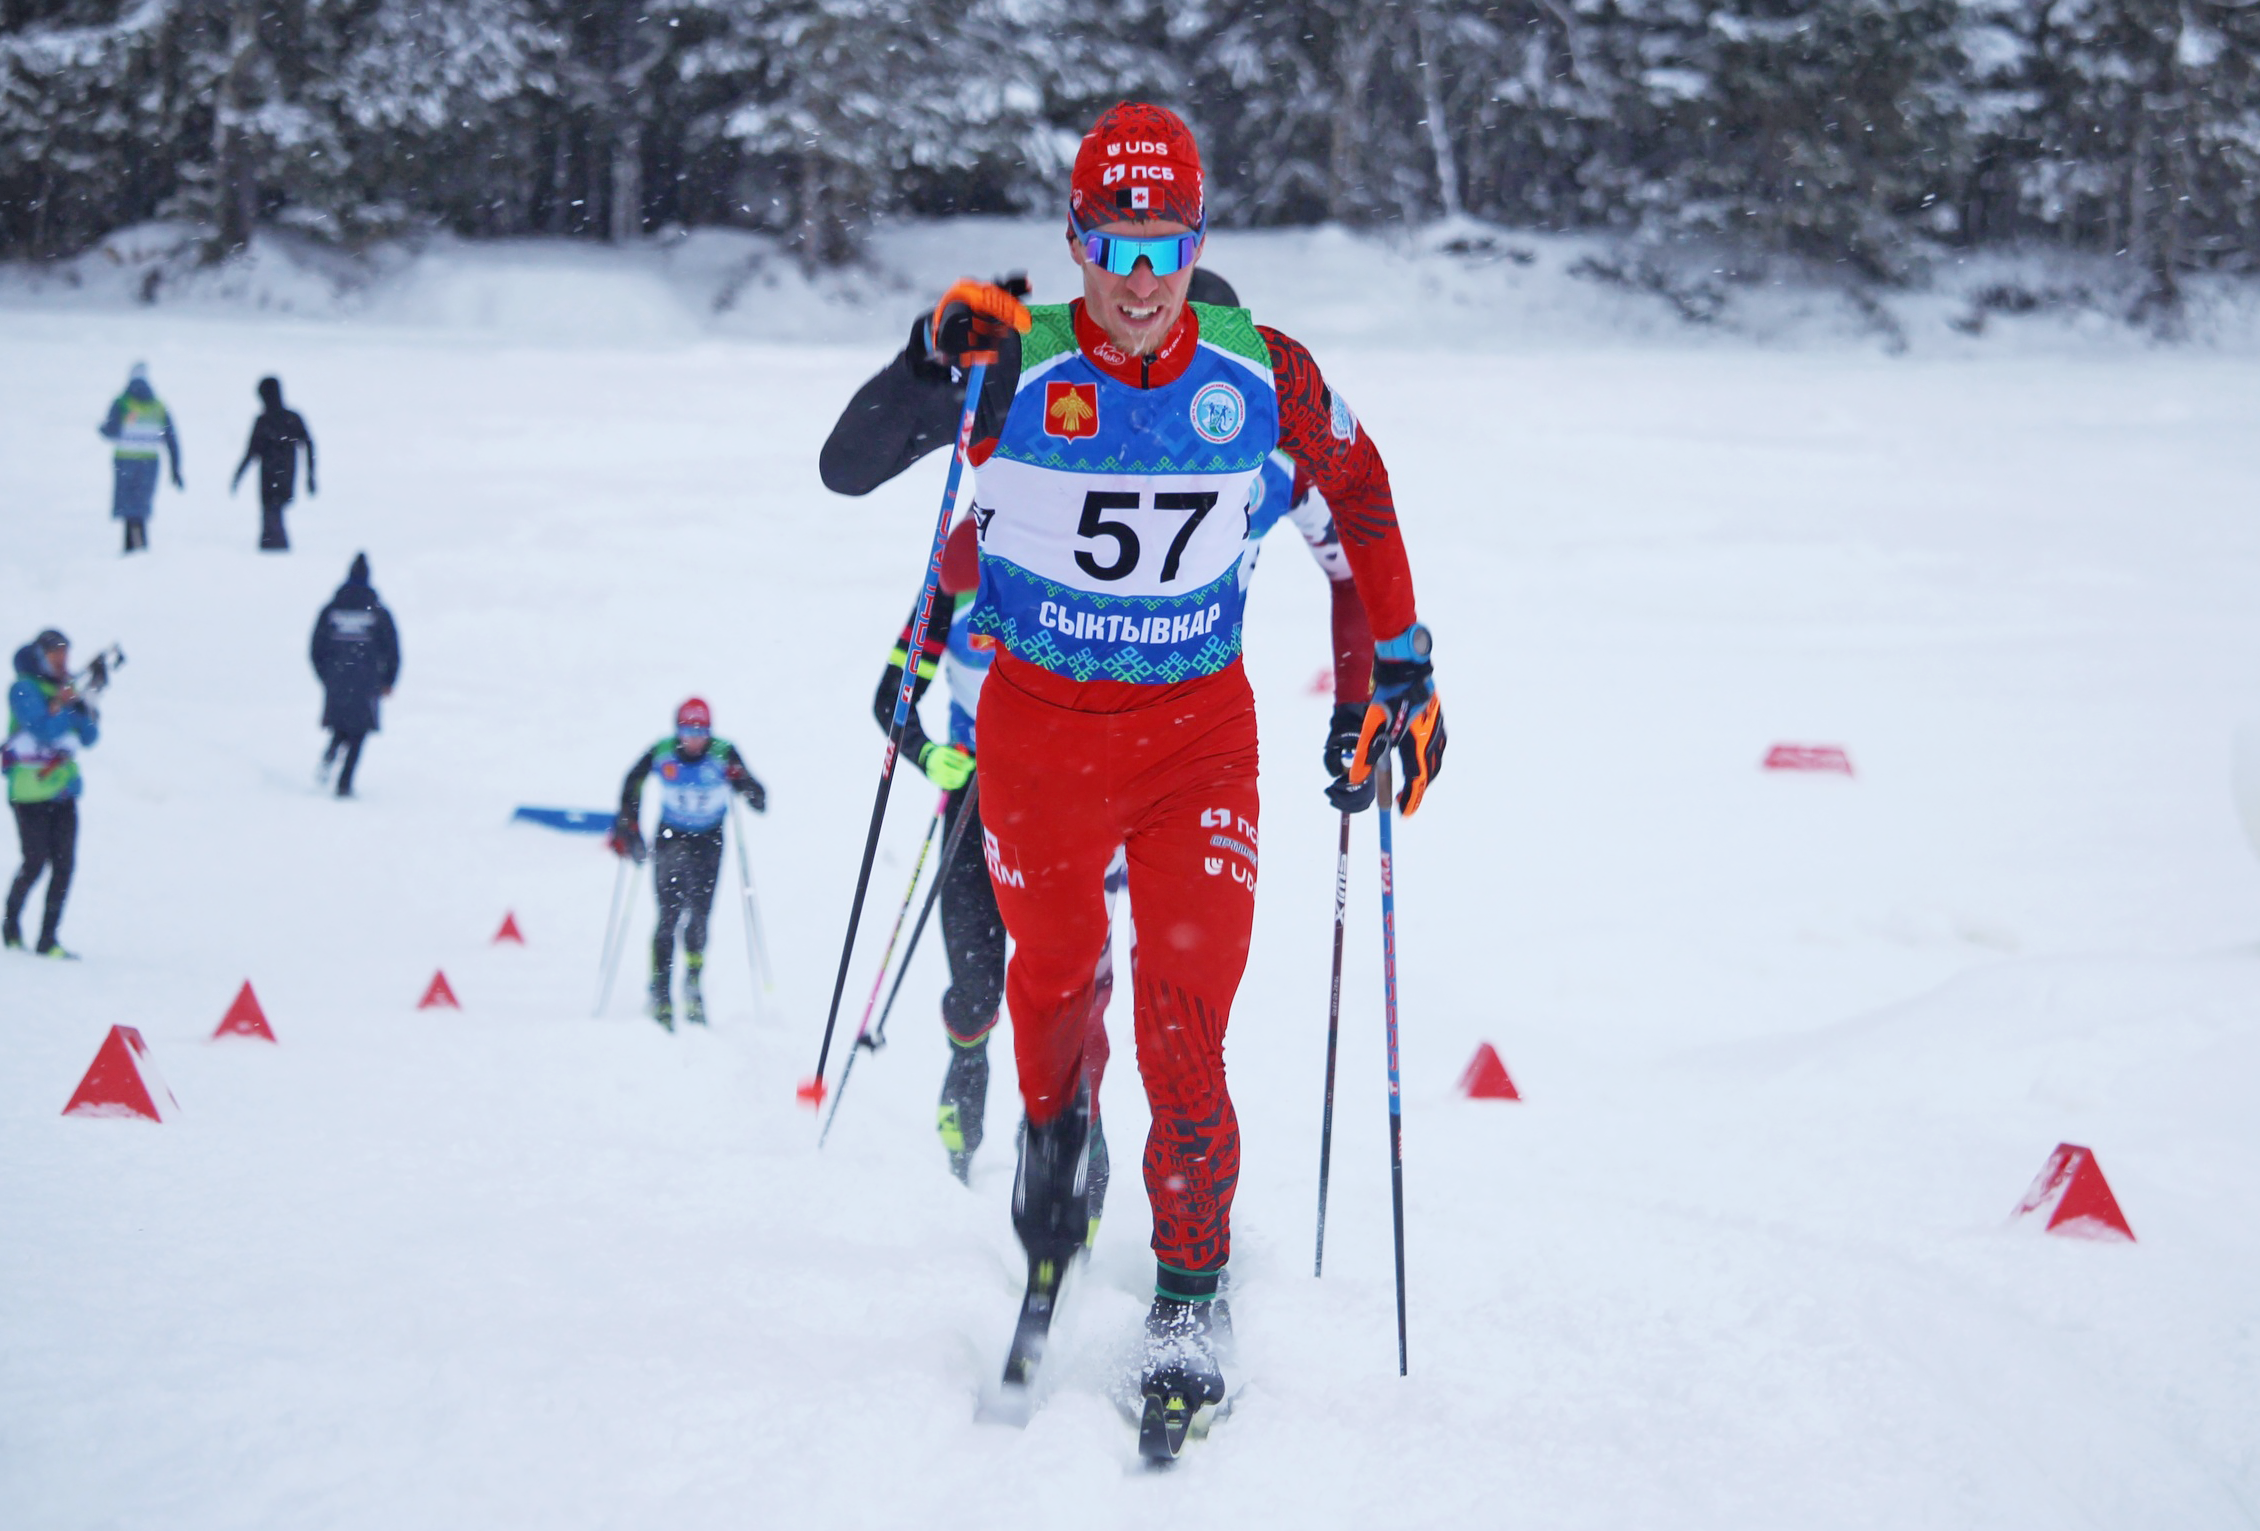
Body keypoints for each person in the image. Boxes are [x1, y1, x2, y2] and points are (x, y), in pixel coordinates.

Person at [820, 102, 1447, 1449]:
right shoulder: (1016, 365)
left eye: (1168, 244)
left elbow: (1359, 501)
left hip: (1193, 744)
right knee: (1050, 991)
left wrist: (1390, 669)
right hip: (1039, 744)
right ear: (1078, 242)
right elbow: (849, 465)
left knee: (1187, 1023)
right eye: (1117, 244)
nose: (1145, 278)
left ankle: (1188, 1288)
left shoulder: (1257, 375)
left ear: (1200, 240)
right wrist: (929, 360)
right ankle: (1055, 1152)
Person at [879, 270, 1380, 1188]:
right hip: (994, 779)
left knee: (1124, 984)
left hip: (1153, 744)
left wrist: (1370, 688)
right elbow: (892, 689)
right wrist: (934, 754)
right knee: (989, 983)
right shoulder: (993, 522)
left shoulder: (1256, 459)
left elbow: (1348, 534)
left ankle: (1086, 1141)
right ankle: (979, 1065)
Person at [610, 700, 767, 1031]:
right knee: (668, 915)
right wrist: (630, 827)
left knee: (698, 915)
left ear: (709, 732)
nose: (693, 739)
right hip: (672, 837)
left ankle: (693, 983)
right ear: (677, 730)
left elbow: (759, 798)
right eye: (686, 731)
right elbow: (632, 783)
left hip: (709, 841)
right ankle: (660, 990)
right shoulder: (663, 751)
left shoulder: (724, 753)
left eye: (700, 732)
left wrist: (743, 784)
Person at [6, 630, 100, 957]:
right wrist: (64, 707)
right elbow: (40, 729)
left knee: (64, 866)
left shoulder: (66, 691)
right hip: (30, 792)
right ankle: (11, 926)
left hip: (62, 791)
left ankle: (48, 938)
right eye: (55, 654)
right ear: (40, 655)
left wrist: (82, 707)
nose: (62, 660)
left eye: (65, 653)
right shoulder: (24, 689)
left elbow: (89, 737)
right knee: (34, 862)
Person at [309, 554, 400, 798]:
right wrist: (388, 680)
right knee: (359, 732)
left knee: (340, 726)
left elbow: (316, 647)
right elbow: (392, 648)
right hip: (366, 681)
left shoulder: (331, 609)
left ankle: (328, 761)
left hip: (337, 678)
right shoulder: (378, 611)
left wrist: (325, 675)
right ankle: (344, 783)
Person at [97, 363, 182, 554]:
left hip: (125, 460)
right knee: (141, 505)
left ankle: (129, 546)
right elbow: (172, 438)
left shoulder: (122, 402)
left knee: (127, 505)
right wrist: (175, 468)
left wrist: (101, 429)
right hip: (149, 462)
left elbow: (111, 430)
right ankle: (141, 545)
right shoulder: (158, 405)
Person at [231, 377, 317, 552]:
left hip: (272, 476)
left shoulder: (266, 420)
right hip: (283, 474)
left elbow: (251, 452)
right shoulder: (289, 418)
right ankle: (273, 546)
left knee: (272, 512)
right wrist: (310, 474)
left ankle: (274, 548)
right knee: (273, 512)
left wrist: (238, 475)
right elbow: (308, 444)